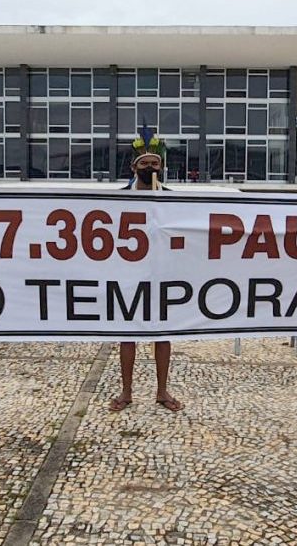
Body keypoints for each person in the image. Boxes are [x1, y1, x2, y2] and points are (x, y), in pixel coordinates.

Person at [109, 129, 183, 413]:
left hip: (162, 274)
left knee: (162, 333)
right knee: (128, 333)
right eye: (144, 164)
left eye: (154, 164)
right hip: (129, 274)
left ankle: (162, 391)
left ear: (161, 167)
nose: (149, 168)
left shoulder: (174, 199)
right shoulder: (118, 199)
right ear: (133, 167)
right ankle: (126, 392)